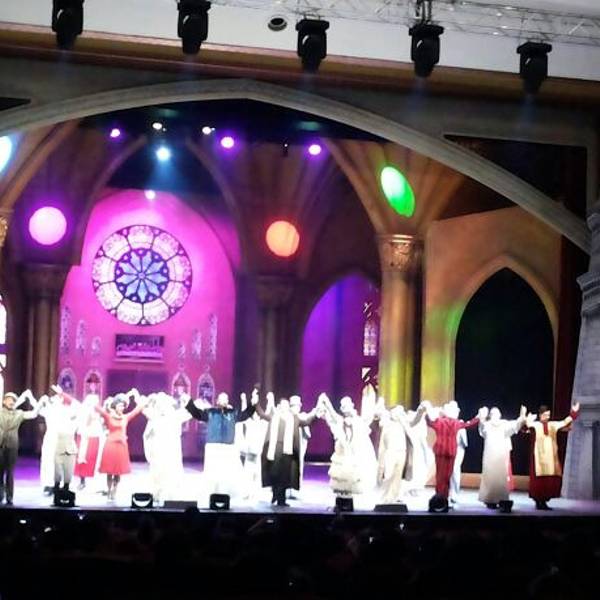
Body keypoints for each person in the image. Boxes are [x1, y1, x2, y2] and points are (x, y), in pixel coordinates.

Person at [185, 389, 258, 498]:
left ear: (228, 401)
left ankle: (226, 493)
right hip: (213, 447)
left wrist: (252, 405)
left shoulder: (233, 413)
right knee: (213, 473)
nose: (223, 401)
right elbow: (197, 414)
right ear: (217, 401)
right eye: (221, 399)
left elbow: (245, 415)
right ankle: (211, 492)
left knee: (227, 473)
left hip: (228, 448)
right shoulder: (210, 412)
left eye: (225, 399)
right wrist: (189, 403)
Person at [256, 395, 320, 507]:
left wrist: (315, 413)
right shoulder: (274, 416)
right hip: (275, 450)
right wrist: (256, 403)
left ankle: (281, 500)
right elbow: (261, 414)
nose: (285, 407)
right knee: (275, 473)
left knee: (284, 476)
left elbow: (306, 422)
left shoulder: (294, 418)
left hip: (288, 451)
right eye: (283, 405)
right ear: (280, 406)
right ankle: (275, 494)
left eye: (287, 405)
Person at [423, 400, 487, 501]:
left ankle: (441, 496)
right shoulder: (453, 423)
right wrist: (478, 417)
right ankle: (443, 497)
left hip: (443, 451)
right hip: (449, 451)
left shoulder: (442, 421)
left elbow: (429, 422)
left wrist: (427, 412)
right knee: (446, 476)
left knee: (442, 476)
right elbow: (469, 424)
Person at [319, 394, 378, 499]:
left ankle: (349, 493)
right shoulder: (340, 420)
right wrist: (326, 402)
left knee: (351, 473)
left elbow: (367, 420)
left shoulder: (357, 421)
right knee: (341, 473)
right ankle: (342, 494)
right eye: (344, 407)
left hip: (352, 451)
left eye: (347, 407)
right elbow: (332, 413)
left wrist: (376, 407)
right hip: (343, 450)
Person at [95, 390, 148, 502]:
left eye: (123, 406)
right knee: (109, 471)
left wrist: (135, 396)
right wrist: (93, 400)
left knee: (118, 472)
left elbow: (137, 409)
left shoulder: (125, 417)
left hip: (121, 447)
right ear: (115, 406)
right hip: (110, 446)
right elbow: (98, 408)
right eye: (120, 405)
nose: (122, 408)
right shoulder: (109, 416)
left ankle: (114, 490)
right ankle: (109, 490)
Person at [525, 402, 580, 510]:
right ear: (540, 415)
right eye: (545, 415)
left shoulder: (552, 425)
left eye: (549, 415)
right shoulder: (535, 425)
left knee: (548, 480)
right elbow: (525, 427)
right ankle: (538, 501)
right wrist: (527, 418)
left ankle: (543, 501)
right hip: (538, 458)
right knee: (539, 480)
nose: (547, 417)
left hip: (550, 457)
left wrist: (574, 412)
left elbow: (565, 422)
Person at [142, 391, 192, 503]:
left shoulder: (176, 416)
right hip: (158, 450)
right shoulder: (155, 417)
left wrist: (187, 400)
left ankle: (169, 495)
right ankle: (157, 494)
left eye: (165, 405)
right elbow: (147, 433)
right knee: (158, 472)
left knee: (170, 473)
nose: (163, 408)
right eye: (160, 405)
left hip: (171, 451)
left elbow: (191, 412)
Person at [375, 399, 427, 503]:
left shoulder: (404, 424)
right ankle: (385, 497)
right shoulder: (387, 424)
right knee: (389, 475)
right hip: (390, 452)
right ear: (392, 413)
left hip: (402, 452)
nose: (400, 414)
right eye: (398, 412)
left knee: (398, 476)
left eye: (401, 412)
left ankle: (395, 497)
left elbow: (414, 421)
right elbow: (383, 442)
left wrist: (420, 411)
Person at [478, 405, 527, 508]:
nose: (495, 416)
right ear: (491, 416)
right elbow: (482, 430)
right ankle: (489, 499)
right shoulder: (487, 425)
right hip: (490, 455)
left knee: (500, 478)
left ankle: (500, 499)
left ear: (500, 415)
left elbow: (515, 425)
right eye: (493, 414)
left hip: (500, 455)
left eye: (497, 413)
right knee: (489, 477)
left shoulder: (503, 424)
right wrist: (481, 418)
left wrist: (522, 416)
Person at [0, 390, 43, 505]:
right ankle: (0, 495)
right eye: (9, 400)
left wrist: (39, 404)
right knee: (0, 472)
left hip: (12, 445)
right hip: (0, 445)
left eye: (13, 400)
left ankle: (9, 497)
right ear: (4, 402)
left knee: (10, 472)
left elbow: (33, 414)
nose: (11, 402)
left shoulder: (18, 413)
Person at [50, 384, 81, 495]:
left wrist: (62, 393)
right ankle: (56, 488)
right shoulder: (58, 413)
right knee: (57, 470)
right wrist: (59, 396)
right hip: (59, 445)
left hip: (70, 447)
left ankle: (66, 488)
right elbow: (56, 407)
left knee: (69, 470)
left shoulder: (76, 418)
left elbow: (77, 405)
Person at [289, 394, 311, 499]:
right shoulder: (287, 417)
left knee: (298, 467)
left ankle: (295, 490)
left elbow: (307, 434)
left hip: (299, 447)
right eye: (293, 406)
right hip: (288, 447)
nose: (296, 408)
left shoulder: (302, 416)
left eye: (297, 406)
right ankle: (287, 489)